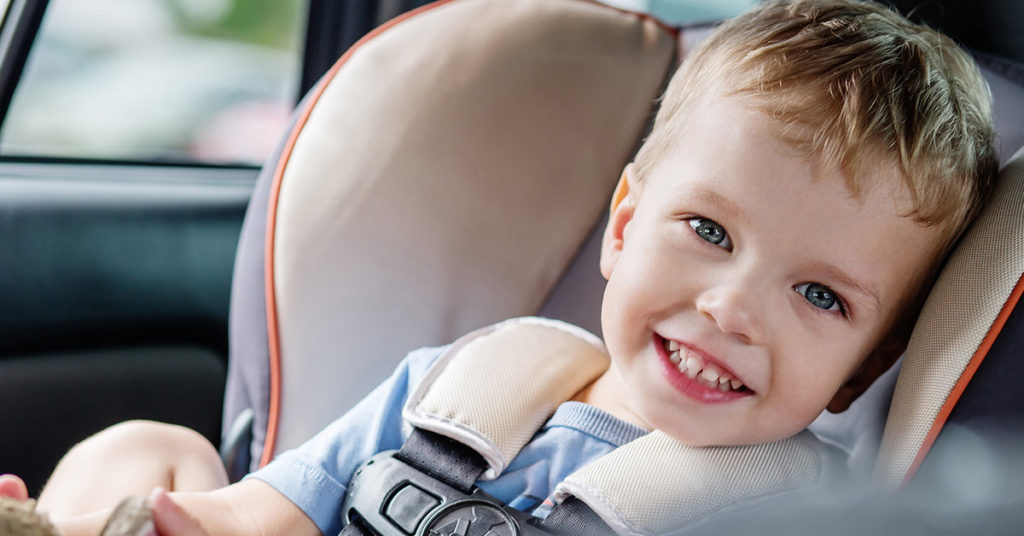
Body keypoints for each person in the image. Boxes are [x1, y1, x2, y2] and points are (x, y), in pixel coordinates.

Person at [0, 0, 998, 534]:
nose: (729, 304)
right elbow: (260, 511)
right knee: (144, 446)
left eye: (818, 294)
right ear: (622, 224)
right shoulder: (469, 379)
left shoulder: (796, 510)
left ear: (866, 367)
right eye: (706, 229)